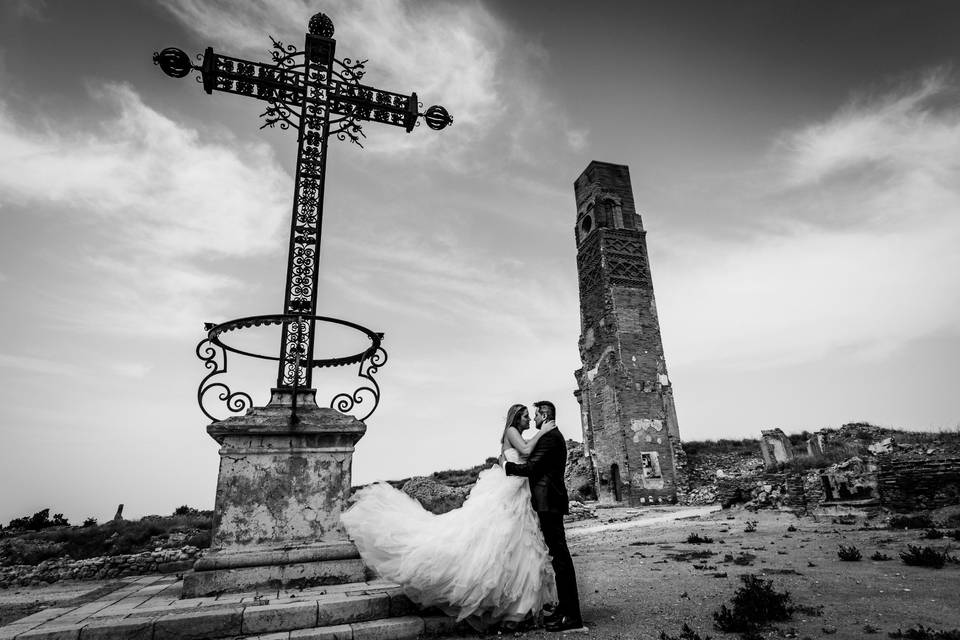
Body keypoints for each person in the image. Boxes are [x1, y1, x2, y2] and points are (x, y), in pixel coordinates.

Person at [340, 404, 558, 630]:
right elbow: (524, 450)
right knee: (502, 540)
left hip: (518, 492)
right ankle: (514, 606)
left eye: (530, 417)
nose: (529, 420)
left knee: (519, 546)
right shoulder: (512, 432)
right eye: (525, 416)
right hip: (509, 492)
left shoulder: (520, 435)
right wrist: (544, 432)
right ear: (515, 418)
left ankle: (519, 607)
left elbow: (523, 455)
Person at [504, 400, 584, 632]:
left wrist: (506, 467)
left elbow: (531, 468)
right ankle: (565, 609)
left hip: (549, 503)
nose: (534, 419)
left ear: (544, 415)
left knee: (560, 558)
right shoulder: (550, 436)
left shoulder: (549, 437)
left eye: (536, 415)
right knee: (558, 557)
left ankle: (572, 616)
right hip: (548, 502)